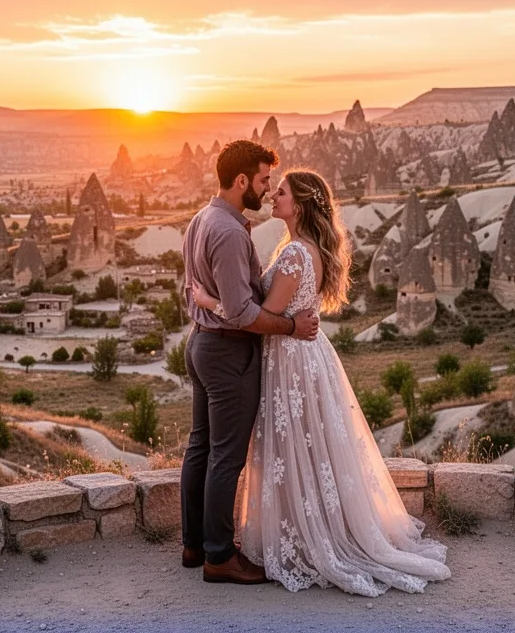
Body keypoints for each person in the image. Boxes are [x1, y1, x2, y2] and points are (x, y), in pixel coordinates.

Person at [192, 169, 451, 596]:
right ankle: (307, 525)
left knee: (296, 443)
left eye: (282, 192)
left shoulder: (295, 253)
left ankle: (307, 535)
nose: (273, 196)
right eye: (273, 188)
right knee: (308, 447)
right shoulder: (299, 247)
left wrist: (210, 302)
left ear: (302, 204)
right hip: (302, 357)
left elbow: (262, 321)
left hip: (290, 356)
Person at [180, 140, 321, 585]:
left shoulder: (202, 219)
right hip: (226, 351)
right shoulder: (228, 231)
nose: (265, 189)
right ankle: (219, 556)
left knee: (200, 447)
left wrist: (206, 303)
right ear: (241, 181)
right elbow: (242, 312)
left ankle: (195, 544)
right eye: (263, 180)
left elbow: (195, 290)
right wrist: (291, 328)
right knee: (226, 456)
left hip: (201, 343)